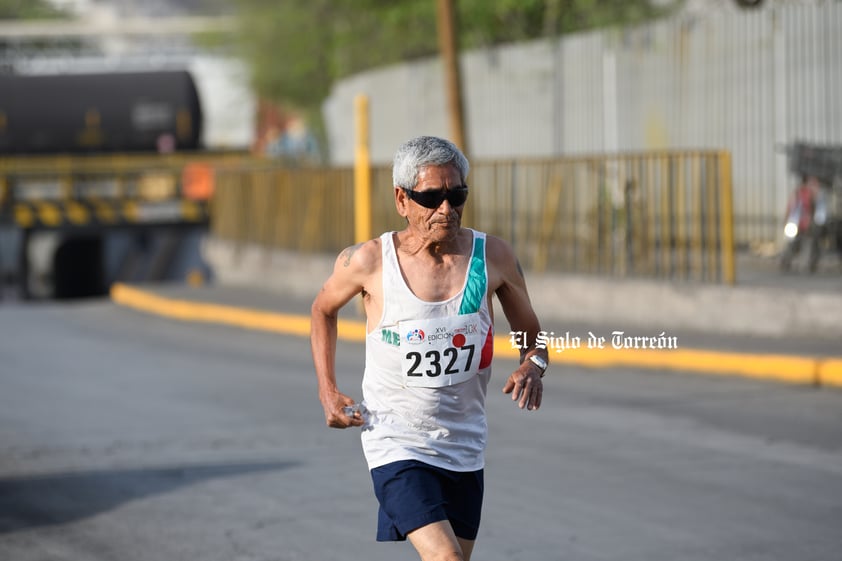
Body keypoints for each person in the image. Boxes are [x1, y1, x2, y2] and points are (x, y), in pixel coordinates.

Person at [310, 135, 549, 561]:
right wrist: (328, 390)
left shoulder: (491, 256)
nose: (446, 209)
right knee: (446, 558)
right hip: (395, 440)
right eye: (431, 197)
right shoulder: (370, 261)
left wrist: (534, 365)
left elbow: (535, 336)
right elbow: (322, 310)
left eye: (457, 195)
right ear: (402, 199)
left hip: (464, 446)